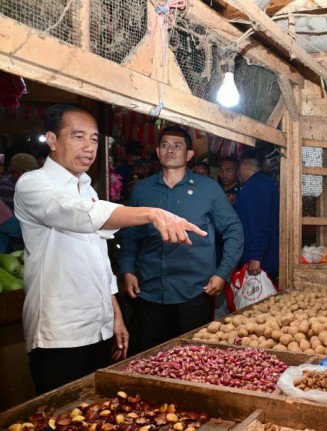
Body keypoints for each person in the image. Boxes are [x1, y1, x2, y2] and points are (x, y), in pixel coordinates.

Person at [14, 104, 207, 395]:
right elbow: (82, 215)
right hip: (60, 334)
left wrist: (114, 315)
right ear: (52, 140)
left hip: (98, 328)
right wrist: (152, 213)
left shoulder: (88, 189)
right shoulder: (33, 185)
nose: (89, 147)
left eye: (94, 139)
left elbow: (100, 262)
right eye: (78, 137)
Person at [119, 125, 243, 354]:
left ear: (189, 155)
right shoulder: (142, 190)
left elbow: (234, 230)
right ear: (157, 151)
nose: (170, 149)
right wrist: (127, 270)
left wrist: (222, 273)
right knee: (149, 358)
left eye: (177, 145)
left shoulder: (208, 189)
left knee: (193, 359)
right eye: (165, 144)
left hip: (195, 292)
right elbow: (130, 235)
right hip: (150, 291)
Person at [235, 149, 279, 283]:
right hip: (266, 255)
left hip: (262, 259)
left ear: (243, 166)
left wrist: (255, 257)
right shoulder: (265, 182)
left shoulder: (255, 186)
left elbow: (258, 223)